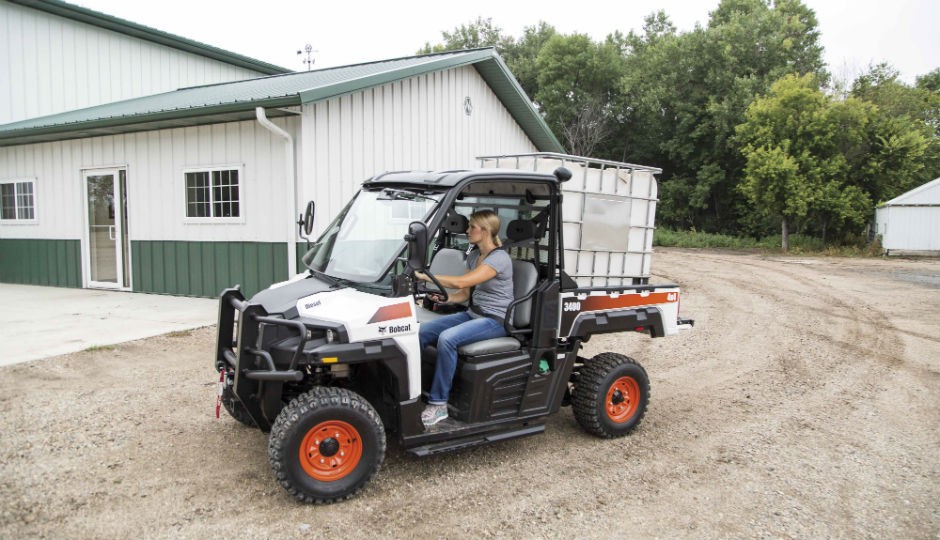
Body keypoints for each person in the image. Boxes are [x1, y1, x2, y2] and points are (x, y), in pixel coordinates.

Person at [415, 210, 514, 427]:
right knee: (421, 333)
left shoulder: (499, 258)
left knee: (447, 339)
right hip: (474, 314)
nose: (467, 231)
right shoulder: (474, 256)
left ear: (486, 231)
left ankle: (438, 403)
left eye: (472, 227)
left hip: (495, 320)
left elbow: (462, 282)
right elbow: (465, 294)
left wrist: (425, 276)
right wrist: (445, 299)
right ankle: (414, 389)